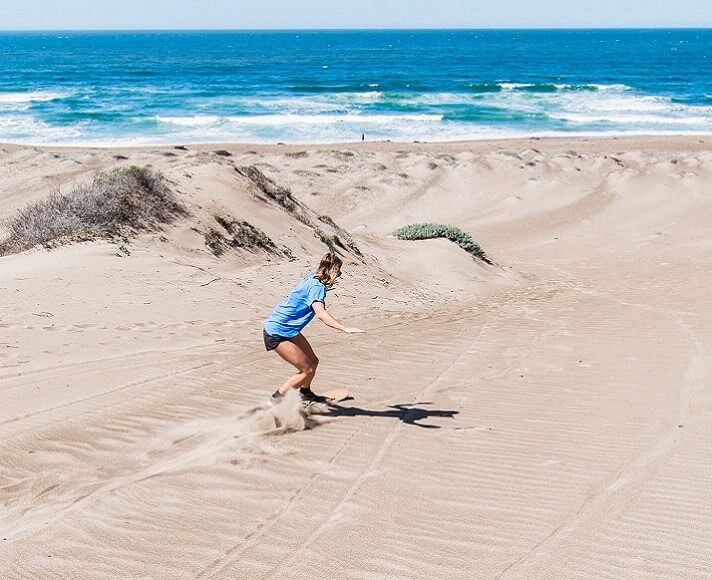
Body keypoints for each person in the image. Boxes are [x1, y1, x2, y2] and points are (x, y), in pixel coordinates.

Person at [263, 252, 364, 405]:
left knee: (313, 361)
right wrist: (344, 328)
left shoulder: (312, 276)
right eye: (339, 271)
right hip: (277, 331)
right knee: (307, 370)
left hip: (288, 329)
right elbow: (321, 314)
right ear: (333, 271)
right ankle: (274, 401)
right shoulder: (317, 287)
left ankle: (305, 394)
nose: (340, 275)